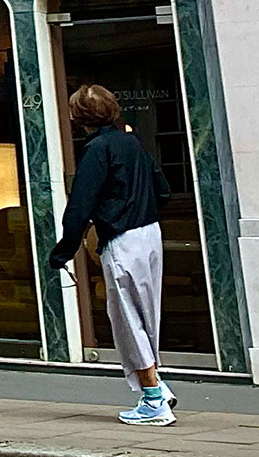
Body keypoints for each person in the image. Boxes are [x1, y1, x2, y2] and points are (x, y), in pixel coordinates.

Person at [48, 84, 178, 427]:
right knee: (148, 314)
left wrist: (63, 251)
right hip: (150, 233)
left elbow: (79, 206)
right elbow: (162, 188)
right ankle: (158, 385)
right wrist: (140, 208)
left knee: (126, 319)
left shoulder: (96, 150)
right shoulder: (130, 142)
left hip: (122, 239)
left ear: (78, 118)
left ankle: (152, 399)